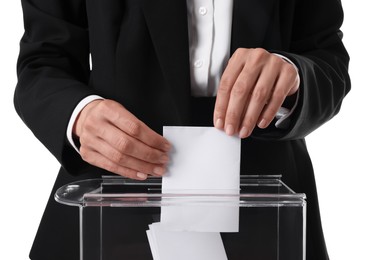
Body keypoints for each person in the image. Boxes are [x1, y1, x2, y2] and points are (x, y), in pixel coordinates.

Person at [15, 0, 350, 259]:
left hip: (271, 217)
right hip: (110, 209)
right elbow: (43, 61)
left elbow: (327, 58)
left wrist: (293, 75)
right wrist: (79, 115)